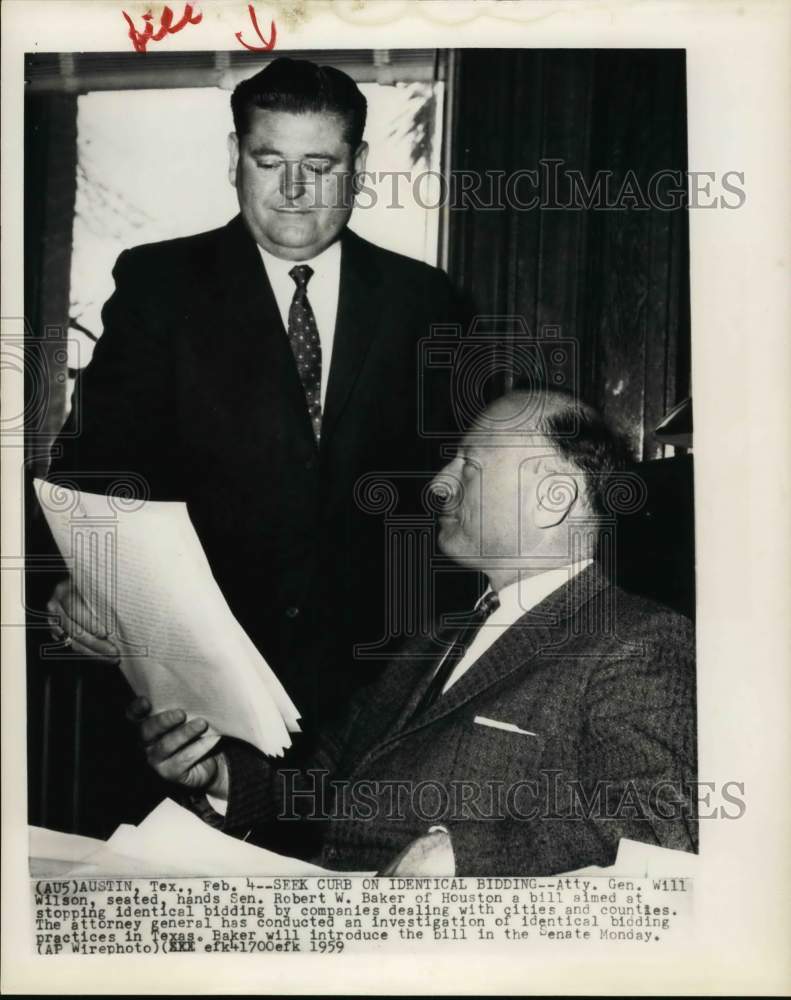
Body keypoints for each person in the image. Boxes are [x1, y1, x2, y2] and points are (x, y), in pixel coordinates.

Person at [45, 57, 467, 736]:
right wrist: (78, 583)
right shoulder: (161, 286)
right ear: (233, 155)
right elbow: (91, 466)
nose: (294, 189)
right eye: (269, 160)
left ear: (358, 163)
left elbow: (444, 493)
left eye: (321, 166)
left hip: (371, 691)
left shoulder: (424, 301)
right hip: (190, 687)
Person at [130, 390, 698, 876]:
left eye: (468, 464)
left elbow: (659, 823)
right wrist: (218, 776)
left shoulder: (638, 641)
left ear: (554, 498)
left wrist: (463, 856)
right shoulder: (430, 640)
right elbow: (328, 787)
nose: (438, 485)